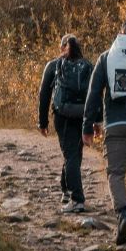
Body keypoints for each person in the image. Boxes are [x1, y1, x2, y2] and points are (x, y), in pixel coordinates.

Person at [82, 17, 126, 245]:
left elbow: (93, 94)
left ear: (121, 32)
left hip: (115, 123)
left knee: (115, 173)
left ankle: (123, 214)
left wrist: (88, 126)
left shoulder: (107, 57)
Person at [37, 35, 94, 213]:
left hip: (63, 116)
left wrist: (43, 121)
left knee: (70, 155)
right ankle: (66, 191)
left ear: (62, 47)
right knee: (73, 153)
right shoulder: (87, 65)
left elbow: (44, 95)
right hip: (83, 115)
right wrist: (95, 119)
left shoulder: (53, 66)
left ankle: (77, 200)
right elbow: (95, 95)